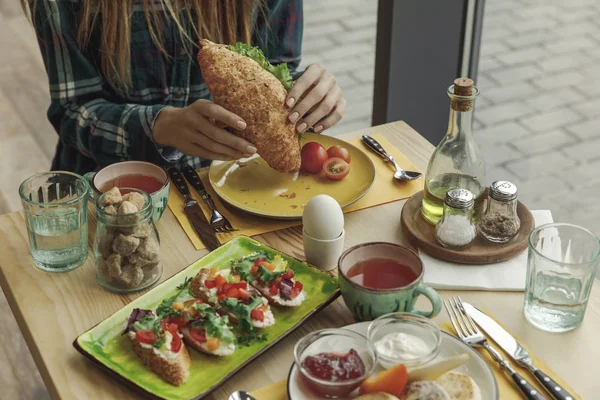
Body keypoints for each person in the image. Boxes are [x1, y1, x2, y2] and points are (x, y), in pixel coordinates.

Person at [22, 0, 346, 174]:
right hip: (113, 188)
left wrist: (309, 97)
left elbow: (275, 73)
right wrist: (157, 126)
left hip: (229, 185)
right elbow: (72, 110)